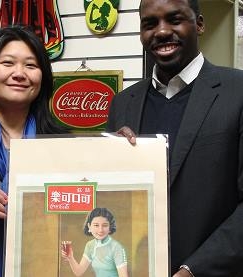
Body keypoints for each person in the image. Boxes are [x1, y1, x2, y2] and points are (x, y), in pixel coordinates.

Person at [106, 0, 243, 276]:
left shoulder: (237, 91)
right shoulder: (123, 104)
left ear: (199, 24)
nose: (162, 31)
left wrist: (193, 270)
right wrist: (108, 162)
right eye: (150, 24)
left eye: (174, 19)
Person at [0, 25, 67, 277]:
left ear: (43, 77)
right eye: (7, 63)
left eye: (31, 66)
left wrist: (123, 151)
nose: (19, 73)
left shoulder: (62, 144)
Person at [61, 207, 128, 277]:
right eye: (96, 225)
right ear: (89, 226)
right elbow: (79, 272)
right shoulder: (90, 245)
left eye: (105, 225)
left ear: (110, 228)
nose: (100, 230)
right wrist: (71, 258)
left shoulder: (116, 248)